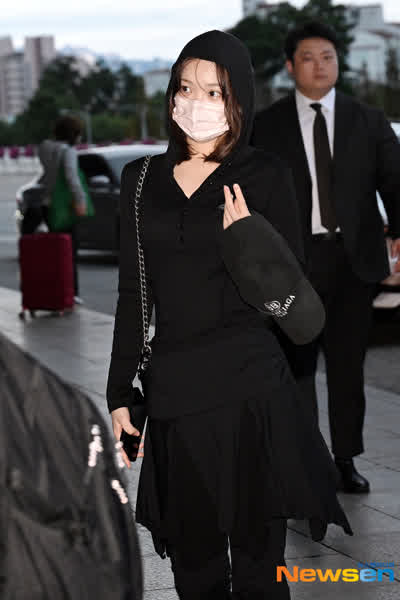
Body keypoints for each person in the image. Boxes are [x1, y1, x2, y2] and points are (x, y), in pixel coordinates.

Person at [107, 30, 351, 600]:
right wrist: (120, 390)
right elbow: (132, 293)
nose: (196, 101)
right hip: (175, 394)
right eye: (185, 87)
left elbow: (297, 312)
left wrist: (252, 247)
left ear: (238, 97)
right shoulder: (140, 180)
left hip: (251, 390)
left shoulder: (266, 174)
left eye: (214, 91)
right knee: (194, 566)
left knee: (260, 565)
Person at [252, 21, 400, 494]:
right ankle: (304, 460)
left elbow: (394, 181)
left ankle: (344, 460)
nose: (320, 66)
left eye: (328, 57)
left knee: (347, 367)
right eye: (309, 58)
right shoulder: (266, 126)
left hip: (353, 263)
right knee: (296, 368)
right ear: (290, 66)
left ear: (339, 63)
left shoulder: (368, 120)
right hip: (291, 267)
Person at [38, 115, 87, 304]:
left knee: (54, 250)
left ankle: (54, 290)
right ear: (73, 134)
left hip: (46, 203)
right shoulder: (68, 151)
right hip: (64, 206)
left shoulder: (44, 147)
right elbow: (71, 177)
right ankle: (70, 292)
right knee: (69, 250)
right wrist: (80, 200)